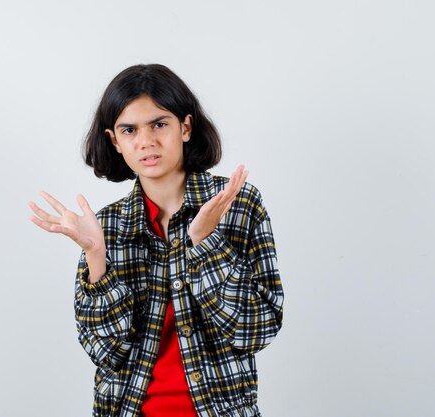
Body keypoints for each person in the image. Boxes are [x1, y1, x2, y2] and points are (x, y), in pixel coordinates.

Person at [28, 64, 284, 417]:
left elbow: (257, 329)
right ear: (115, 141)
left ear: (186, 127)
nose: (146, 141)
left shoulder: (237, 203)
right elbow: (106, 352)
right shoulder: (105, 226)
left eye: (159, 124)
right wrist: (96, 255)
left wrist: (205, 242)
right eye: (129, 130)